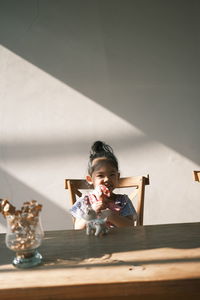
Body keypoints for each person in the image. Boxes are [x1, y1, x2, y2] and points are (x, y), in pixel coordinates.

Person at [70, 141, 137, 229]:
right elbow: (77, 228)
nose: (107, 179)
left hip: (119, 242)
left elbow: (131, 226)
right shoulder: (84, 202)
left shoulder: (123, 201)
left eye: (112, 175)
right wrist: (92, 212)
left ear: (118, 177)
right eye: (100, 175)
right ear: (90, 179)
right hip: (91, 242)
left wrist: (111, 216)